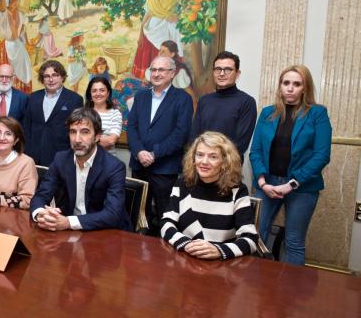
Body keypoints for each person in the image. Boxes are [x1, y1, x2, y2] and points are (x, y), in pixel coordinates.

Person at [249, 64, 332, 265]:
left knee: (294, 242)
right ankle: (256, 291)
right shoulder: (268, 112)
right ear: (280, 86)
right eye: (286, 83)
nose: (290, 88)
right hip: (267, 184)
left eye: (297, 84)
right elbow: (256, 151)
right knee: (254, 237)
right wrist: (262, 183)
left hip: (302, 188)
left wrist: (291, 184)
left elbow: (322, 156)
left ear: (305, 88)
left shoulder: (317, 113)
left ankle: (290, 295)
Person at [161, 131, 259, 260]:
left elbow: (250, 239)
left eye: (213, 157)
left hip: (221, 266)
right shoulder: (182, 184)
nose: (204, 162)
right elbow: (166, 223)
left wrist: (219, 250)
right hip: (186, 259)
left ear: (225, 161)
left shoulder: (238, 190)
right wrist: (186, 244)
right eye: (200, 155)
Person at [30, 108, 131, 231]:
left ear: (97, 136)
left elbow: (112, 214)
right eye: (73, 132)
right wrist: (41, 214)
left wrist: (68, 222)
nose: (77, 139)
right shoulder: (60, 159)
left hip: (105, 232)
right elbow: (41, 195)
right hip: (69, 234)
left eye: (85, 132)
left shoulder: (114, 167)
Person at [127, 56, 193, 235]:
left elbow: (181, 134)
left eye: (161, 70)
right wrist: (139, 151)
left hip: (165, 168)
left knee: (166, 216)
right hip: (139, 165)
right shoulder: (141, 96)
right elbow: (131, 128)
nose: (156, 74)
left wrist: (154, 154)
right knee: (138, 215)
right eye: (153, 69)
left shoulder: (182, 99)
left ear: (172, 73)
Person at [191, 51, 257, 162]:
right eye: (218, 69)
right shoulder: (204, 100)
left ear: (237, 73)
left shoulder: (247, 102)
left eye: (228, 69)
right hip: (202, 164)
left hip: (229, 168)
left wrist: (214, 160)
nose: (222, 74)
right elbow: (194, 137)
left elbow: (240, 144)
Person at [24, 60, 84, 166]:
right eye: (47, 76)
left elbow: (77, 131)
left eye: (55, 75)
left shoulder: (75, 99)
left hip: (61, 158)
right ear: (42, 79)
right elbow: (26, 127)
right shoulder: (33, 97)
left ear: (62, 77)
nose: (51, 79)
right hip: (32, 157)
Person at [132, 0, 183, 79]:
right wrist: (140, 34)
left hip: (168, 30)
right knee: (150, 59)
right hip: (151, 31)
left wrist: (177, 17)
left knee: (166, 56)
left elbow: (183, 10)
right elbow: (146, 15)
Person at [0, 0, 33, 94]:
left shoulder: (21, 15)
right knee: (7, 72)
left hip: (18, 46)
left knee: (24, 71)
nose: (14, 2)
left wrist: (25, 41)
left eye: (16, 0)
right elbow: (2, 7)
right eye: (12, 0)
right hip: (8, 47)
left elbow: (22, 30)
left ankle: (21, 94)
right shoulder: (4, 14)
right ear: (8, 1)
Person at [85, 77, 122, 155]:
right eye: (94, 91)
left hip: (107, 162)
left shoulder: (115, 114)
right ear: (90, 94)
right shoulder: (83, 113)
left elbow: (111, 140)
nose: (98, 94)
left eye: (102, 90)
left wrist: (86, 140)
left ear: (108, 93)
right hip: (84, 160)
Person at [159, 40, 194, 107]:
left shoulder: (180, 71)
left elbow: (191, 95)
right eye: (160, 50)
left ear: (172, 54)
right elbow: (145, 82)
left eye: (163, 52)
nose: (159, 54)